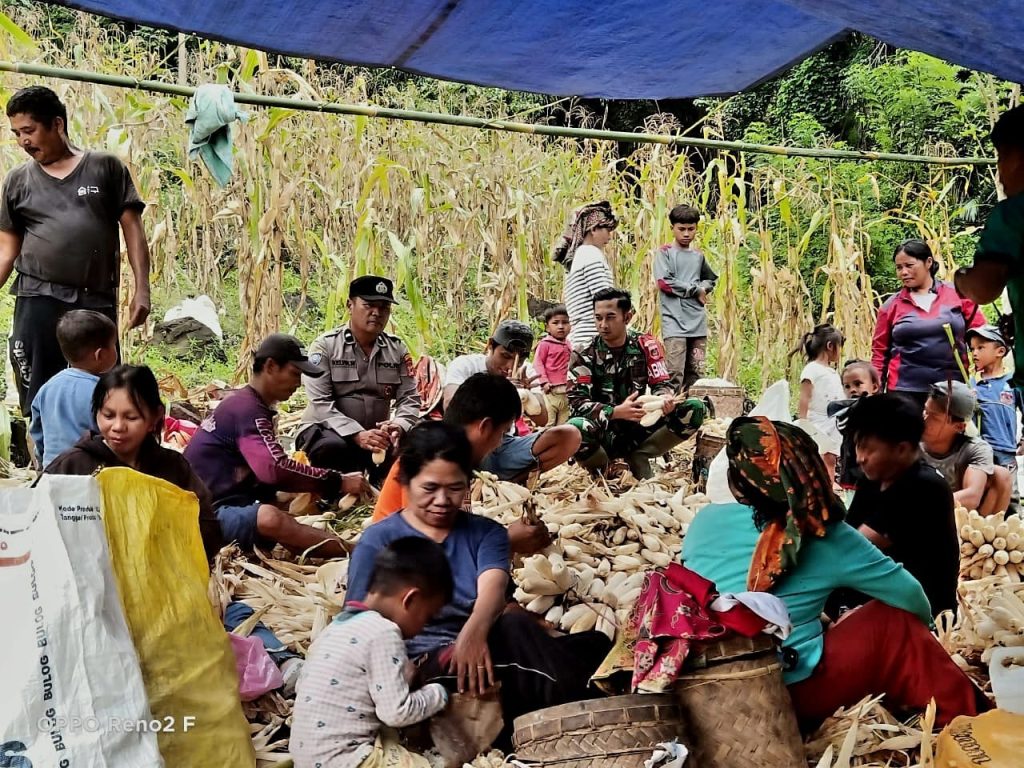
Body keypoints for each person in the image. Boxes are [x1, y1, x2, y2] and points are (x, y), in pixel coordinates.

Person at [681, 416, 988, 729]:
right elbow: (908, 593)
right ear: (806, 472)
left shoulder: (703, 522)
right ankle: (971, 723)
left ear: (736, 481)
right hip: (786, 694)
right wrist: (928, 632)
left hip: (707, 694)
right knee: (892, 623)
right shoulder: (821, 530)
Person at [347, 422, 610, 745]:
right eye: (429, 488)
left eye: (455, 488)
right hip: (420, 667)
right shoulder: (378, 540)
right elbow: (356, 621)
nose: (442, 500)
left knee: (592, 642)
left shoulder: (486, 534)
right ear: (405, 482)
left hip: (481, 644)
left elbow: (493, 587)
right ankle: (580, 719)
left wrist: (473, 632)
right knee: (525, 648)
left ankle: (549, 714)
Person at [0, 86, 151, 415]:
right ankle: (46, 457)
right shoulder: (17, 181)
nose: (23, 141)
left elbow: (134, 233)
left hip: (93, 299)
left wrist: (142, 290)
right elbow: (6, 250)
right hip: (37, 297)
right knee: (38, 387)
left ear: (57, 124)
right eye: (16, 134)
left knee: (104, 390)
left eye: (29, 130)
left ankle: (100, 456)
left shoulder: (105, 168)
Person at [184, 334, 369, 557]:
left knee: (282, 510)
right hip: (205, 515)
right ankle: (358, 552)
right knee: (270, 519)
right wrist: (336, 481)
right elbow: (273, 468)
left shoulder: (246, 403)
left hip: (223, 503)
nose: (298, 383)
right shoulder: (246, 409)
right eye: (295, 373)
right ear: (271, 366)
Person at [291, 537, 453, 768]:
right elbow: (397, 712)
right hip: (348, 761)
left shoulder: (334, 629)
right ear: (410, 600)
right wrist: (439, 694)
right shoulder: (384, 632)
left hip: (308, 759)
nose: (421, 630)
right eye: (427, 617)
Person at [45, 364, 223, 563]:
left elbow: (207, 528)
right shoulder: (72, 467)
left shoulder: (173, 468)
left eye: (131, 417)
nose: (118, 427)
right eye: (108, 415)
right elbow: (40, 525)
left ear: (154, 417)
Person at [371, 373, 551, 555]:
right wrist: (506, 541)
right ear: (485, 427)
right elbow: (428, 552)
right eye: (502, 433)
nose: (499, 443)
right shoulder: (431, 460)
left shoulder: (454, 459)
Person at [567, 288, 706, 479]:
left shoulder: (646, 345)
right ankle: (604, 469)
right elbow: (576, 404)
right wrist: (614, 412)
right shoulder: (583, 354)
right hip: (603, 432)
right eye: (598, 318)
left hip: (639, 426)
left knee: (694, 408)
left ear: (627, 317)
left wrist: (663, 399)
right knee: (575, 427)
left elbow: (662, 383)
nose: (603, 325)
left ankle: (640, 456)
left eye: (610, 317)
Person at [295, 275, 420, 483]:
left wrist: (399, 425)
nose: (377, 313)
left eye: (384, 307)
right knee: (332, 448)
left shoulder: (396, 349)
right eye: (369, 305)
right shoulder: (326, 346)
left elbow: (409, 398)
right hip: (329, 432)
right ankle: (335, 494)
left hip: (376, 438)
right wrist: (356, 434)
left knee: (420, 445)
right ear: (350, 305)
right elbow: (320, 403)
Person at [844, 394, 958, 616]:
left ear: (902, 449)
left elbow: (854, 545)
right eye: (858, 447)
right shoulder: (873, 480)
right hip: (877, 600)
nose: (860, 458)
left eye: (868, 449)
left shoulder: (925, 487)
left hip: (918, 612)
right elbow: (846, 530)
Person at [443, 320, 581, 483]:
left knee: (570, 435)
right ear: (490, 346)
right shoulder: (465, 365)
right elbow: (449, 406)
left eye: (519, 359)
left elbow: (542, 419)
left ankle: (509, 485)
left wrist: (526, 395)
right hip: (468, 445)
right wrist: (501, 391)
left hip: (504, 446)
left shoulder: (527, 372)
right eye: (505, 356)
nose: (510, 366)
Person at [954, 106, 1024, 398]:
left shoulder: (1014, 216)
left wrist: (961, 279)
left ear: (1018, 156)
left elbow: (983, 289)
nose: (1000, 170)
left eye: (1001, 157)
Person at [872, 239, 984, 407]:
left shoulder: (958, 295)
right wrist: (875, 393)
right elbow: (879, 353)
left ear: (928, 263)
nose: (903, 272)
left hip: (952, 391)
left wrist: (986, 377)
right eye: (899, 267)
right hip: (904, 393)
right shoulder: (890, 306)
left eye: (909, 265)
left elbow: (981, 336)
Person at [29, 309, 117, 466]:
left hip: (54, 469)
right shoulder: (105, 393)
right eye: (113, 345)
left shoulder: (47, 388)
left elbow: (38, 431)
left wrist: (43, 463)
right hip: (90, 472)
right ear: (100, 355)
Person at [921, 381, 1012, 516]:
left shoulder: (975, 449)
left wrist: (921, 506)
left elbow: (972, 497)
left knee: (1001, 475)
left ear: (959, 427)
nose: (924, 419)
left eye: (934, 417)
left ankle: (980, 533)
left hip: (955, 517)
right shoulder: (908, 441)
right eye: (925, 411)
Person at [653, 204, 717, 393]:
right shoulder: (664, 253)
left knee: (696, 373)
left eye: (691, 229)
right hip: (674, 323)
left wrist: (703, 288)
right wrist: (694, 290)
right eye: (682, 229)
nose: (687, 234)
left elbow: (710, 279)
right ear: (672, 228)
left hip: (697, 322)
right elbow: (664, 282)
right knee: (674, 372)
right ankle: (672, 412)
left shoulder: (698, 256)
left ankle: (693, 412)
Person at [553, 201, 616, 349]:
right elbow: (605, 300)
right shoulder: (591, 254)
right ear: (593, 229)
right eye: (607, 230)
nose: (609, 236)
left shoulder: (579, 257)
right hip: (594, 340)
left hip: (580, 339)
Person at [967, 325, 1020, 494]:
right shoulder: (971, 384)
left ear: (1000, 352)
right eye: (972, 348)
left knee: (1009, 494)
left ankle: (1014, 518)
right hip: (979, 451)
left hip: (1005, 450)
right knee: (983, 493)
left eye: (980, 347)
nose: (974, 353)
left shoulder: (1013, 382)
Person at [795, 324, 845, 479]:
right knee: (816, 457)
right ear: (830, 346)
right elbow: (805, 396)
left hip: (832, 422)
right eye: (839, 346)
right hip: (816, 420)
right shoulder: (812, 369)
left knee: (830, 458)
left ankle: (828, 491)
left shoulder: (832, 372)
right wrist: (802, 421)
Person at [828, 360, 881, 493]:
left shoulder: (879, 409)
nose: (852, 389)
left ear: (874, 387)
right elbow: (843, 428)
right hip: (851, 466)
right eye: (847, 386)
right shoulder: (844, 410)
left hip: (873, 469)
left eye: (858, 384)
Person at [533, 305, 572, 425]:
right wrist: (544, 381)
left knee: (564, 424)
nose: (561, 326)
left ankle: (561, 443)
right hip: (551, 390)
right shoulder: (545, 344)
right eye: (555, 323)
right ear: (547, 327)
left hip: (566, 391)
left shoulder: (569, 344)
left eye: (565, 322)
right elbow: (538, 362)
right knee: (549, 423)